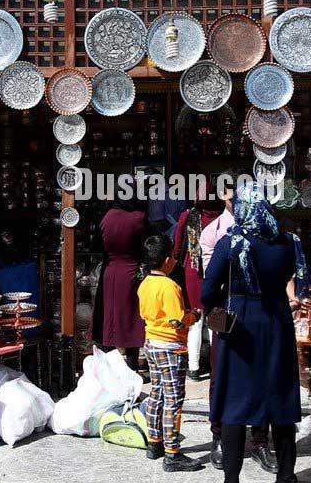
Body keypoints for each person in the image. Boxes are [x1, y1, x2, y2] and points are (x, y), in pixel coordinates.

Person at [201, 181, 310, 483]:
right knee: (281, 397)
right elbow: (300, 278)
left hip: (241, 326)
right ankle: (286, 475)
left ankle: (232, 478)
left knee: (236, 402)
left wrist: (216, 305)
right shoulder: (289, 242)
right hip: (277, 321)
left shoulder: (231, 242)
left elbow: (208, 289)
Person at [198, 176, 276, 474]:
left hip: (259, 312)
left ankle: (259, 440)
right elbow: (210, 280)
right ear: (223, 196)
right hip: (228, 312)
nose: (236, 200)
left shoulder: (268, 230)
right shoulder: (214, 232)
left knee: (261, 375)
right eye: (232, 195)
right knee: (221, 376)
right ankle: (219, 436)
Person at [137, 234, 203, 472]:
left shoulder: (145, 283)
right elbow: (177, 321)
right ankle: (172, 453)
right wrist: (194, 316)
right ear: (167, 260)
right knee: (174, 399)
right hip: (170, 347)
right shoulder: (170, 286)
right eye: (173, 257)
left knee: (156, 394)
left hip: (152, 343)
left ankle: (154, 443)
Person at [172, 182, 222, 380]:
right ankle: (215, 365)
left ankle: (193, 367)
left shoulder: (188, 216)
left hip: (192, 271)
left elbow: (177, 246)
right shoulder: (221, 217)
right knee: (214, 318)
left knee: (195, 319)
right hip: (216, 271)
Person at [97, 198, 148, 369]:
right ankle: (131, 366)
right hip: (131, 273)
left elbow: (98, 245)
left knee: (109, 317)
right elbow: (146, 246)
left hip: (110, 272)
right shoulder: (139, 218)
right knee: (131, 319)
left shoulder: (107, 217)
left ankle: (108, 367)